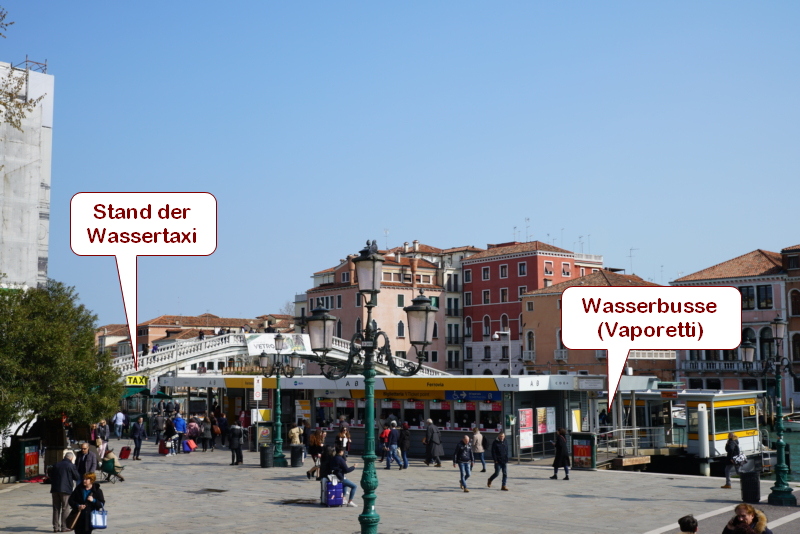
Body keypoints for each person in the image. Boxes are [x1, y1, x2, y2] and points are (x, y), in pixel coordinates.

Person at [49, 451, 80, 533]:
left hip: (55, 489)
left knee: (56, 508)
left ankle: (55, 527)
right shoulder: (71, 465)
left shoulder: (56, 465)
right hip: (66, 489)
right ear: (71, 458)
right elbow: (77, 477)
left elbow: (50, 475)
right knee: (65, 508)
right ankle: (64, 527)